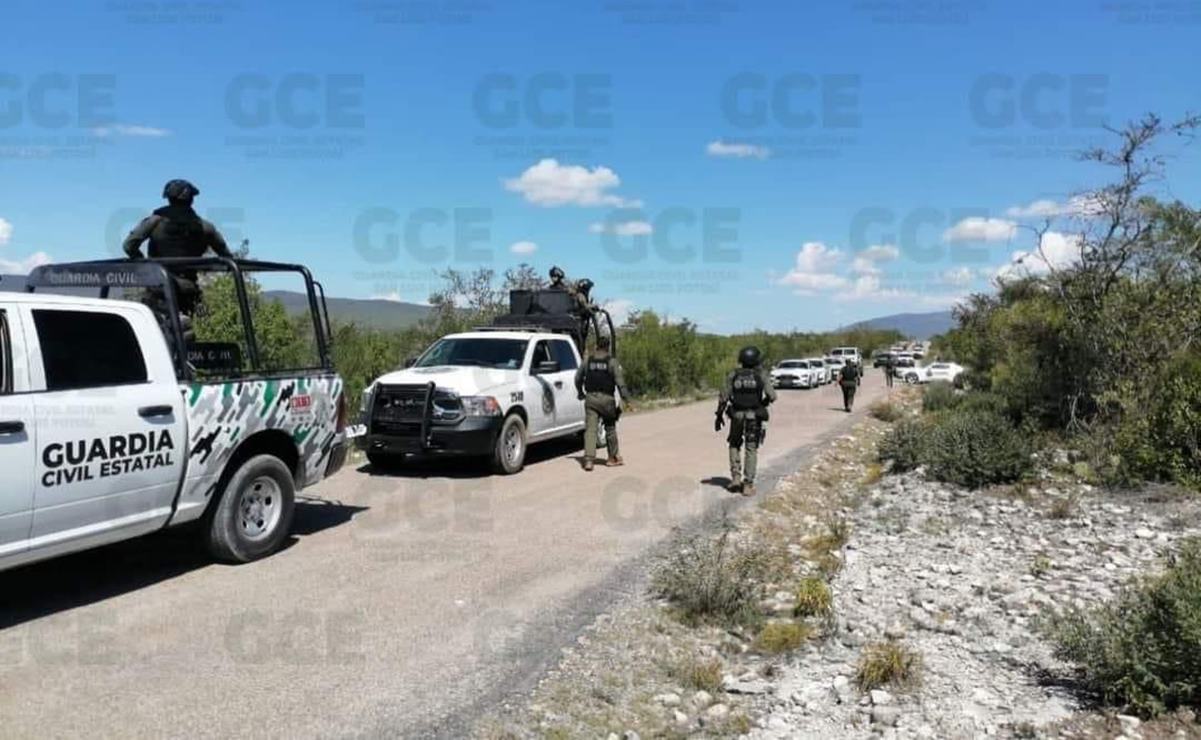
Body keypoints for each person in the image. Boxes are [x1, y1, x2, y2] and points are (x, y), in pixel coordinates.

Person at [123, 179, 233, 316]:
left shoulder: (154, 221)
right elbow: (226, 257)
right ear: (191, 200)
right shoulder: (206, 227)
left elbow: (129, 246)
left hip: (160, 289)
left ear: (169, 199)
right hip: (188, 290)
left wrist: (147, 265)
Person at [715, 345, 776, 496]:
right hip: (754, 416)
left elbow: (723, 397)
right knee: (751, 448)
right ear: (756, 360)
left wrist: (719, 416)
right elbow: (772, 395)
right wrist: (764, 402)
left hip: (736, 415)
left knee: (734, 443)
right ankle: (747, 485)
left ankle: (736, 478)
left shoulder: (733, 375)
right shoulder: (761, 374)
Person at [574, 334, 629, 471]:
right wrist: (626, 399)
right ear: (608, 347)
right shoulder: (612, 362)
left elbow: (577, 378)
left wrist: (580, 392)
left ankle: (588, 460)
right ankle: (613, 458)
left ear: (597, 346)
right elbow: (620, 383)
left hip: (591, 399)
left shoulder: (588, 360)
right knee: (610, 428)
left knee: (591, 429)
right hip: (607, 400)